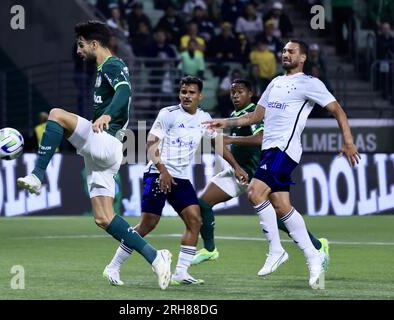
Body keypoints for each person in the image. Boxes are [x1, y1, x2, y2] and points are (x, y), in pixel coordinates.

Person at [16, 20, 172, 290]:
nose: (78, 51)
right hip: (102, 154)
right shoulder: (103, 69)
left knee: (56, 115)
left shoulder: (112, 65)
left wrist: (109, 114)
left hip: (107, 142)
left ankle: (37, 175)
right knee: (103, 218)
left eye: (81, 45)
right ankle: (156, 257)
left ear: (94, 44)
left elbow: (125, 91)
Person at [203, 40, 361, 289]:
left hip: (284, 150)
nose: (285, 54)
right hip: (269, 151)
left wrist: (349, 141)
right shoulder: (275, 82)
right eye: (284, 51)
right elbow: (255, 116)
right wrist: (225, 122)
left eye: (291, 51)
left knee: (255, 192)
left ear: (303, 57)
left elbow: (337, 110)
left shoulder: (310, 83)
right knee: (281, 205)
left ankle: (276, 250)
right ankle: (314, 256)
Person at [103, 76, 248, 286]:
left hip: (179, 177)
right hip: (157, 173)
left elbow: (217, 143)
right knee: (148, 223)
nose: (186, 96)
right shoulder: (168, 114)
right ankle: (113, 267)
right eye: (183, 92)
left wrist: (236, 166)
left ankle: (181, 273)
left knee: (195, 220)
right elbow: (151, 143)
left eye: (191, 93)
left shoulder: (204, 118)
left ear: (200, 96)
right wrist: (163, 170)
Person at [192, 79, 330, 274]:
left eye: (240, 91)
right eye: (233, 92)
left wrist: (231, 139)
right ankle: (209, 249)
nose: (235, 95)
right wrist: (236, 165)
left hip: (259, 172)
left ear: (251, 94)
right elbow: (221, 143)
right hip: (239, 172)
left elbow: (260, 138)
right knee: (203, 203)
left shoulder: (256, 113)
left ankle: (317, 245)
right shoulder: (234, 115)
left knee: (281, 215)